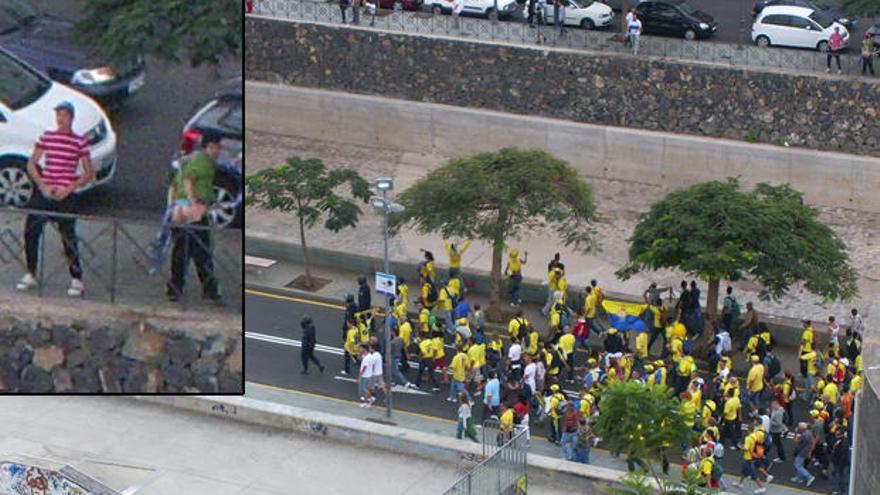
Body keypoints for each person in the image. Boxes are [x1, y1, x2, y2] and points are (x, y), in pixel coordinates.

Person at [17, 101, 95, 298]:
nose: (60, 119)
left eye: (63, 115)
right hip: (47, 189)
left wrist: (69, 188)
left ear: (70, 118)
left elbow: (89, 172)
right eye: (58, 115)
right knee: (31, 231)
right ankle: (31, 272)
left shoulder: (79, 142)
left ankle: (76, 278)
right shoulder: (47, 137)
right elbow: (32, 163)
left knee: (68, 236)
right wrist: (42, 185)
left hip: (65, 192)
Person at [164, 132, 223, 303]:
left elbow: (176, 184)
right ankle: (209, 290)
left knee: (182, 251)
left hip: (181, 212)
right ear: (210, 147)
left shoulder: (192, 160)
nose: (219, 151)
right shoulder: (203, 162)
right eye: (217, 147)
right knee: (201, 251)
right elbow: (189, 180)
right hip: (193, 213)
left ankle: (176, 289)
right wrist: (193, 202)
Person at [791, 422, 816, 487]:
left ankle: (809, 476)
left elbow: (795, 441)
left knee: (798, 465)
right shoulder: (809, 433)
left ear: (801, 428)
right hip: (806, 451)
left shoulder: (803, 435)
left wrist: (795, 433)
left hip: (801, 452)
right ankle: (798, 478)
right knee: (801, 464)